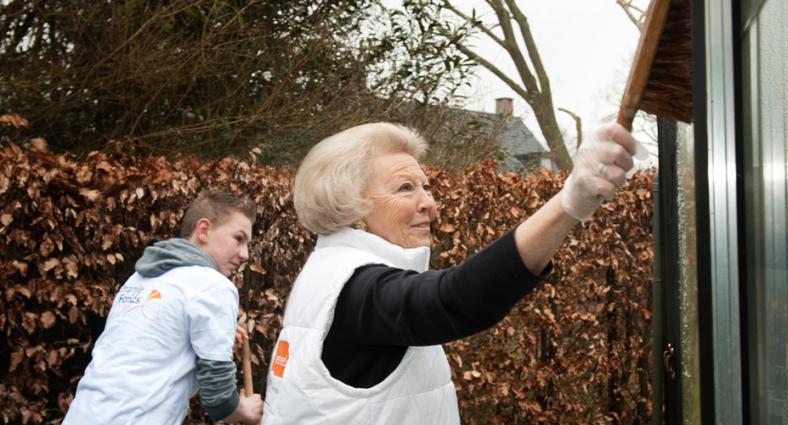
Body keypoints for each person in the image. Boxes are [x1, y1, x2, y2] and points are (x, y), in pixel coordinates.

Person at [261, 122, 638, 424]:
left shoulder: (327, 273)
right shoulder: (359, 290)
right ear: (351, 206)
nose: (429, 202)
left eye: (426, 186)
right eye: (406, 188)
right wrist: (569, 202)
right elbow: (455, 300)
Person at [63, 191, 264, 425]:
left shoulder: (139, 279)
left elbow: (156, 362)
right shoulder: (215, 285)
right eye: (238, 239)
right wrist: (245, 410)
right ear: (204, 230)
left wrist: (219, 339)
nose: (245, 254)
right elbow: (219, 402)